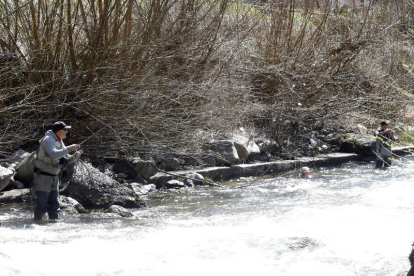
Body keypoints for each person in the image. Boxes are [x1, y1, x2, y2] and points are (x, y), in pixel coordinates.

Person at [33, 121, 81, 221]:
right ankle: (37, 225)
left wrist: (74, 157)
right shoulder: (48, 140)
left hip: (54, 177)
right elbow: (54, 154)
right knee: (41, 204)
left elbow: (65, 158)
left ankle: (54, 226)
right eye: (65, 130)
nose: (67, 132)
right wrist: (69, 148)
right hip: (43, 177)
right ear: (59, 131)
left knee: (55, 205)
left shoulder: (59, 141)